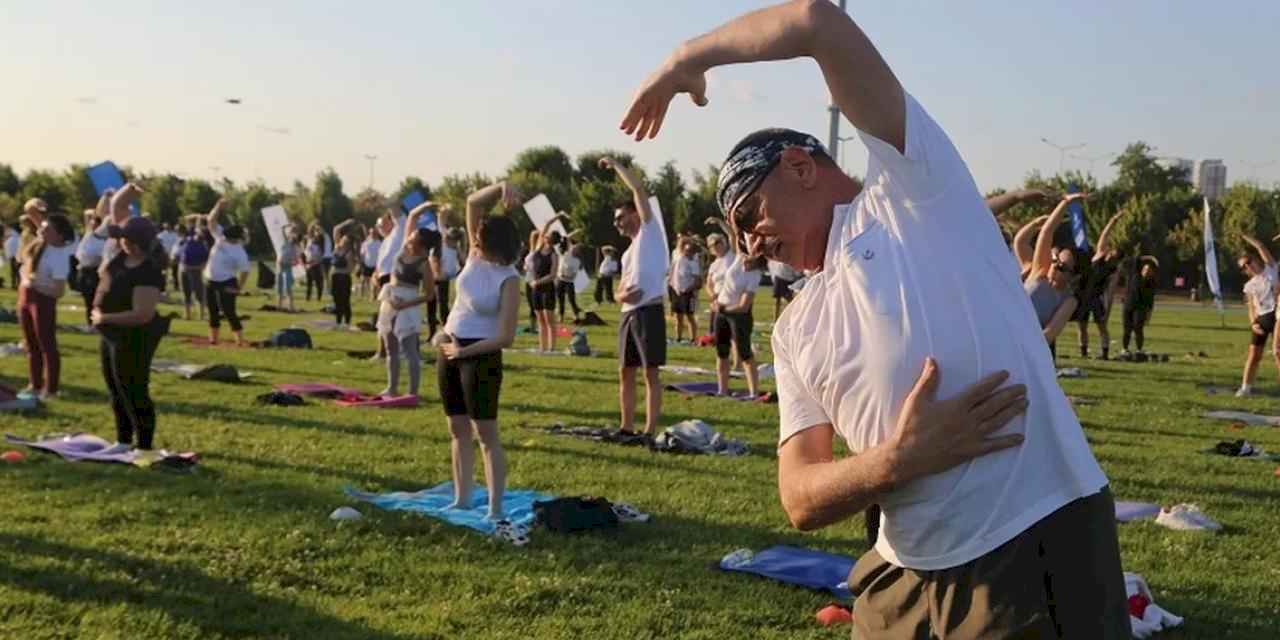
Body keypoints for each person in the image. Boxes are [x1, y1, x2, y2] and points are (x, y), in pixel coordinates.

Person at [622, 2, 1128, 637]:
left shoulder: (912, 193)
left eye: (749, 215)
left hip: (1027, 543)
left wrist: (685, 59)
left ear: (801, 168)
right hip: (897, 576)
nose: (749, 244)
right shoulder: (795, 326)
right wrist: (897, 460)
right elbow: (799, 497)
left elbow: (816, 21)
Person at [437, 180, 523, 519]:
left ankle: (495, 508)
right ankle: (462, 498)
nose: (474, 241)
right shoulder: (474, 255)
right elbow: (473, 202)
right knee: (456, 429)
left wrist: (464, 354)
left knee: (485, 434)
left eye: (480, 240)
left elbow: (506, 338)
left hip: (480, 355)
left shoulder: (510, 278)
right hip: (451, 348)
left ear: (495, 246)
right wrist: (502, 187)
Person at [599, 157, 668, 437]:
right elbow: (620, 291)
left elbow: (638, 189)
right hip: (628, 314)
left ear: (635, 214)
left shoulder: (650, 232)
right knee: (625, 372)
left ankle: (649, 430)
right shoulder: (628, 253)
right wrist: (620, 296)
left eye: (620, 217)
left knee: (650, 373)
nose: (617, 224)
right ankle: (626, 426)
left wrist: (616, 166)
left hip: (648, 313)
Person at [91, 216, 167, 454]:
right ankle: (123, 440)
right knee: (115, 387)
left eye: (126, 238)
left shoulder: (149, 270)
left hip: (135, 336)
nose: (121, 241)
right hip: (110, 334)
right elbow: (104, 278)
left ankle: (144, 445)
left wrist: (106, 318)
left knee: (133, 388)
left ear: (138, 242)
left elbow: (142, 314)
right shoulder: (119, 259)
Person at [375, 202, 437, 397]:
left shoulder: (424, 264)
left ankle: (412, 392)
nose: (410, 235)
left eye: (414, 236)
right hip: (390, 299)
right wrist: (427, 205)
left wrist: (405, 305)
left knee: (410, 351)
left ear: (420, 244)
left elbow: (429, 295)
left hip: (407, 304)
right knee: (390, 347)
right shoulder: (403, 249)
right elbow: (412, 218)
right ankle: (392, 388)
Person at [17, 201, 73, 400]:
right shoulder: (39, 245)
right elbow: (23, 266)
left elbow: (58, 291)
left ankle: (51, 389)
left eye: (48, 229)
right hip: (26, 296)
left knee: (47, 344)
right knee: (31, 344)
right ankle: (35, 384)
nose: (43, 230)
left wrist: (35, 284)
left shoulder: (59, 255)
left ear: (58, 234)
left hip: (43, 300)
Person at [1024, 195, 1087, 352]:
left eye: (1062, 267)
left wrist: (1020, 345)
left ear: (1074, 277)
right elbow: (1047, 232)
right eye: (1055, 262)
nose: (1055, 267)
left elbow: (1049, 334)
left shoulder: (1069, 301)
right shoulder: (1039, 272)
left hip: (1029, 348)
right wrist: (1065, 203)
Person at [707, 218, 762, 396]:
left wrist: (723, 309)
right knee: (721, 353)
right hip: (722, 311)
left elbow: (744, 306)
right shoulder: (738, 257)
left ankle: (754, 392)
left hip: (738, 316)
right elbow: (733, 233)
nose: (746, 259)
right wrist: (720, 222)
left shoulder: (754, 275)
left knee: (745, 354)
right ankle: (722, 390)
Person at [1073, 209, 1128, 360]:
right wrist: (1114, 220)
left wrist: (1107, 312)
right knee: (1083, 325)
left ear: (1116, 258)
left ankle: (1102, 354)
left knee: (1097, 326)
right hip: (1084, 294)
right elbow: (1105, 234)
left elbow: (1110, 293)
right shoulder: (1101, 257)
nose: (1110, 254)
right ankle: (1087, 353)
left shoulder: (1113, 269)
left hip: (1094, 297)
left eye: (1114, 255)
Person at [199, 200, 250, 346]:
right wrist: (218, 207)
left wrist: (238, 288)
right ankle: (213, 339)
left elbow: (245, 272)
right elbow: (210, 220)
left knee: (229, 312)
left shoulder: (240, 252)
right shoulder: (220, 237)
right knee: (212, 310)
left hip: (227, 282)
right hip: (210, 280)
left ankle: (240, 341)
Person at [1235, 234, 1279, 397]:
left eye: (1248, 262)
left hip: (1277, 317)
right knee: (1254, 356)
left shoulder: (1271, 269)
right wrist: (1253, 323)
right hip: (1262, 320)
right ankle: (1245, 388)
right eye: (1243, 267)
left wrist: (1244, 236)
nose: (1247, 267)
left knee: (1278, 353)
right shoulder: (1249, 285)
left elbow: (1261, 246)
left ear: (1255, 259)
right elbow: (1251, 306)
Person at [528, 217, 564, 352]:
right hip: (536, 289)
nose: (544, 236)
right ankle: (541, 348)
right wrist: (556, 217)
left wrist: (537, 282)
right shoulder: (539, 248)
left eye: (547, 235)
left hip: (547, 289)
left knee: (549, 320)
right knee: (540, 320)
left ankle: (551, 348)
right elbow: (545, 227)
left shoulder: (554, 255)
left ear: (551, 240)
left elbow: (553, 275)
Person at [74, 207, 108, 326]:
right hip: (83, 271)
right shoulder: (88, 236)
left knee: (95, 300)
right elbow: (87, 215)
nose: (91, 225)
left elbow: (102, 257)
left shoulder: (103, 240)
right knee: (87, 299)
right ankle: (90, 323)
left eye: (94, 223)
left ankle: (97, 323)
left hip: (94, 272)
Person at [428, 224, 462, 339]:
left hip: (445, 279)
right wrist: (438, 273)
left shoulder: (455, 248)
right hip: (434, 279)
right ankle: (432, 332)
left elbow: (462, 261)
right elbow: (434, 260)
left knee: (443, 305)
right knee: (432, 306)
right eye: (453, 239)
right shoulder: (439, 246)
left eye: (456, 240)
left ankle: (447, 330)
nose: (454, 242)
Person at [1121, 255, 1159, 357]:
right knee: (1126, 329)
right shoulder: (1133, 275)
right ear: (1141, 268)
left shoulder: (1151, 283)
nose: (1147, 271)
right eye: (1145, 268)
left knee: (1138, 328)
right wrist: (1149, 257)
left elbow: (1151, 301)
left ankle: (1138, 349)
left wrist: (1149, 315)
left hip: (1141, 308)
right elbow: (1129, 260)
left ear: (1152, 273)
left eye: (1149, 270)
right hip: (1128, 306)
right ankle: (1125, 349)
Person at [704, 230, 735, 345]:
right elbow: (708, 283)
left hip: (730, 299)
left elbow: (732, 234)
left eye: (718, 243)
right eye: (712, 245)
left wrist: (720, 222)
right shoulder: (714, 264)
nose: (716, 246)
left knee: (732, 333)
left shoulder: (731, 255)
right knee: (718, 334)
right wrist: (712, 295)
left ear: (724, 243)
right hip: (717, 300)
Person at [669, 237, 702, 343]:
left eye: (689, 251)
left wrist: (688, 289)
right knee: (678, 316)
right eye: (685, 250)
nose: (686, 252)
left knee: (690, 316)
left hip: (687, 292)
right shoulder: (678, 256)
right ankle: (678, 337)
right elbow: (681, 242)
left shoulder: (693, 262)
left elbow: (697, 281)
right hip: (675, 290)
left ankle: (693, 338)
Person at [175, 225, 209, 321]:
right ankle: (191, 315)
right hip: (189, 270)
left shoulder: (191, 243)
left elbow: (178, 257)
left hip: (190, 270)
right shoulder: (187, 243)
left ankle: (197, 315)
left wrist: (193, 267)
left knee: (195, 294)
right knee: (190, 293)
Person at [330, 219, 359, 329]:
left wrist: (347, 263)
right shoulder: (336, 247)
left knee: (345, 300)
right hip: (335, 276)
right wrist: (347, 223)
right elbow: (336, 229)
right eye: (343, 239)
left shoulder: (350, 253)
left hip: (344, 277)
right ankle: (338, 321)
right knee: (336, 300)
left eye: (346, 240)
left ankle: (346, 322)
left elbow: (350, 268)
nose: (343, 241)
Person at [555, 239, 584, 324]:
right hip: (560, 281)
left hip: (569, 282)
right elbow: (566, 240)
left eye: (576, 249)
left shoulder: (577, 261)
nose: (573, 249)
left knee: (572, 300)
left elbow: (574, 275)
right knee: (560, 299)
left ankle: (576, 315)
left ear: (578, 251)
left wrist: (566, 276)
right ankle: (561, 316)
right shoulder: (566, 255)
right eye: (573, 248)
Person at [276, 224, 302, 312]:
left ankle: (291, 306)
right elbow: (282, 229)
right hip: (280, 266)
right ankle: (279, 306)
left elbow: (297, 260)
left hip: (287, 266)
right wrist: (289, 225)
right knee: (279, 286)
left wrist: (292, 262)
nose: (292, 236)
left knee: (288, 287)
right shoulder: (286, 241)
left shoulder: (296, 247)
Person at [359, 226, 382, 301]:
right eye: (371, 233)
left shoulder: (380, 243)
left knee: (374, 282)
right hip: (366, 264)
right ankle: (361, 296)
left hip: (375, 265)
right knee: (363, 280)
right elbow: (362, 254)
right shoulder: (366, 243)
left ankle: (373, 296)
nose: (372, 234)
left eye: (374, 233)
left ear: (376, 234)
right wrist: (361, 263)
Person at [303, 227, 325, 303]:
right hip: (308, 264)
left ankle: (319, 298)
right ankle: (307, 298)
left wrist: (314, 263)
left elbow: (320, 256)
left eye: (317, 232)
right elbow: (305, 253)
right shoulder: (309, 241)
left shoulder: (320, 243)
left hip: (316, 265)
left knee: (318, 283)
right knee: (309, 282)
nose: (316, 233)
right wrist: (306, 263)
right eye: (315, 232)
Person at [156, 223, 179, 290]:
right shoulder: (160, 235)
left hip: (173, 255)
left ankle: (176, 285)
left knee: (174, 271)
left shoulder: (175, 235)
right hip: (164, 255)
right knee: (164, 272)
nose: (168, 227)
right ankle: (163, 287)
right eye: (166, 226)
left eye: (168, 226)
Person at [5, 224, 21, 290]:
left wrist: (8, 256)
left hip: (13, 257)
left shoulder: (10, 240)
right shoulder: (19, 238)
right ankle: (18, 284)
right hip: (18, 257)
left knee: (14, 272)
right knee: (18, 272)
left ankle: (13, 284)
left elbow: (7, 249)